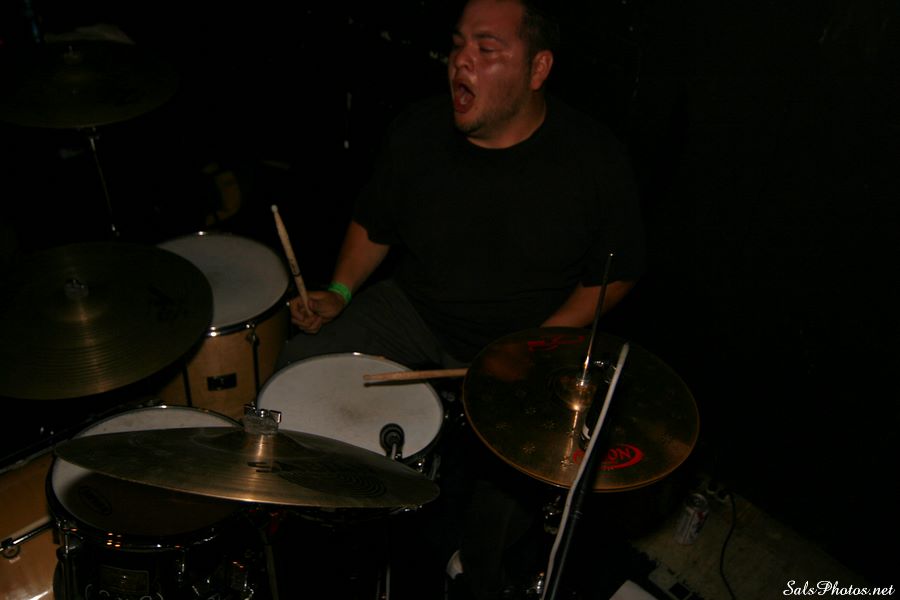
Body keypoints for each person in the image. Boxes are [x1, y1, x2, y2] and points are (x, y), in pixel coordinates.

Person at [274, 0, 646, 598]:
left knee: (522, 467)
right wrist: (339, 291)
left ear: (538, 68)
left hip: (525, 334)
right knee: (301, 364)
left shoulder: (593, 159)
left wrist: (534, 345)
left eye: (486, 48)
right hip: (416, 309)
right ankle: (322, 516)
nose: (460, 62)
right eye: (457, 45)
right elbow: (374, 223)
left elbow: (618, 275)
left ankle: (475, 564)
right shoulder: (418, 129)